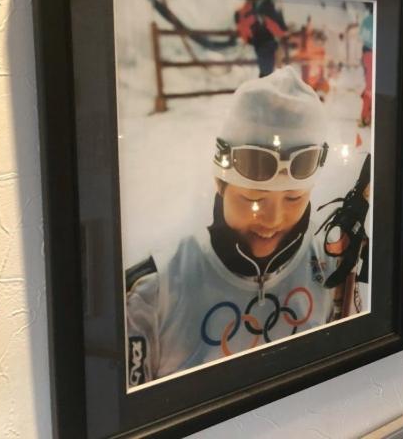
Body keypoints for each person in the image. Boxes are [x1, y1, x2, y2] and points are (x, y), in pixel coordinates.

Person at [124, 67, 367, 387]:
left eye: (294, 198)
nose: (273, 219)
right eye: (254, 198)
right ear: (220, 184)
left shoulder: (330, 263)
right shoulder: (156, 292)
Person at [234, 0, 288, 78]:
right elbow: (280, 31)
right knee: (268, 72)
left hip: (260, 42)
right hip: (263, 42)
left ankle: (267, 77)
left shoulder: (243, 11)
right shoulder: (262, 8)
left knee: (268, 71)